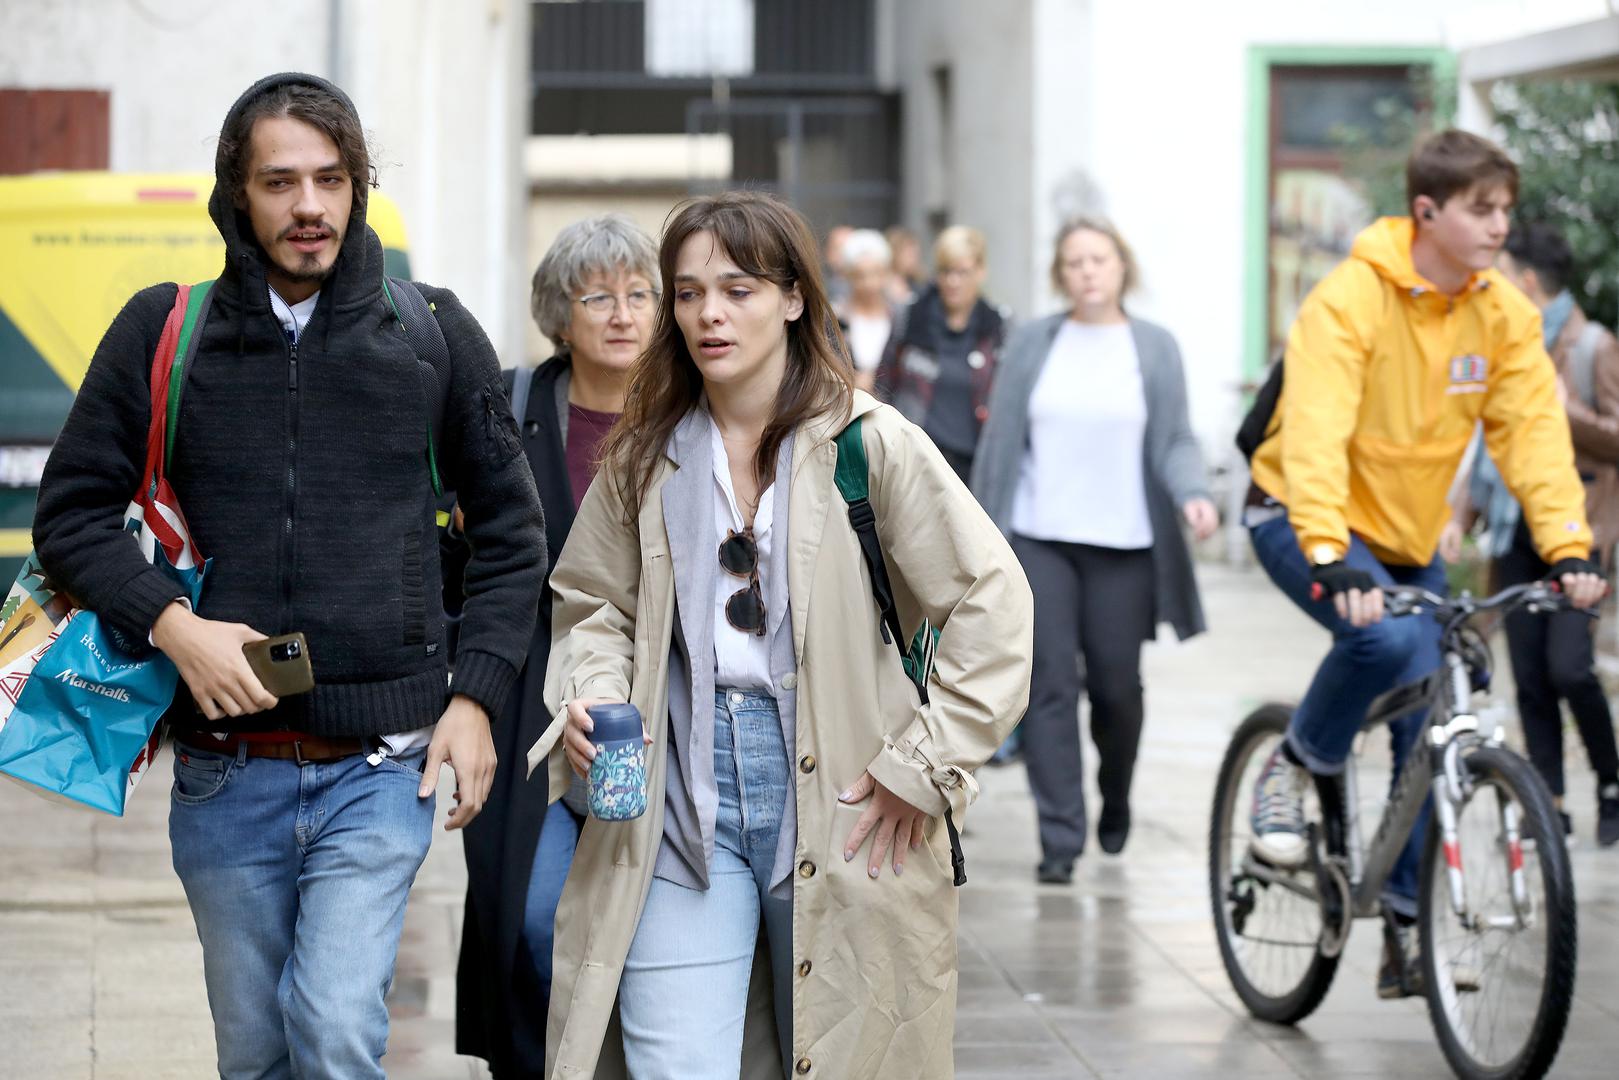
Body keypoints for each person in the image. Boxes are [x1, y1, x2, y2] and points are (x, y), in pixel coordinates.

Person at [31, 73, 546, 1077]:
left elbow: (512, 536)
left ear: (357, 187)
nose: (307, 206)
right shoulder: (162, 334)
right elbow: (69, 519)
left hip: (380, 766)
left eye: (329, 179)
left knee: (337, 1029)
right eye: (279, 182)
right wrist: (172, 624)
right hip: (224, 774)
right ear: (236, 194)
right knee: (256, 1050)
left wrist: (476, 700)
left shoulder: (432, 334)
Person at [528, 190, 1033, 1079]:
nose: (707, 314)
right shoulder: (646, 451)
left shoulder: (867, 444)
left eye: (736, 289)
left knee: (852, 1050)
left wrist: (923, 764)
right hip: (678, 794)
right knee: (673, 1059)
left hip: (850, 789)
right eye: (686, 294)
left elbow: (993, 604)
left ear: (795, 297)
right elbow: (590, 603)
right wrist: (592, 689)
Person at [1242, 130, 1604, 999]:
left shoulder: (1502, 314)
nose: (1497, 227)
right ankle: (1288, 769)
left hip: (1404, 539)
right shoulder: (1349, 299)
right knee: (1392, 648)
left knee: (1429, 712)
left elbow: (1532, 438)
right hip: (1299, 511)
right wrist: (1332, 559)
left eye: (1504, 211)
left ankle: (1405, 928)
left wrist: (1566, 544)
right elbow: (1318, 433)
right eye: (1481, 210)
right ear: (1426, 212)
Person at [455, 214, 658, 1076]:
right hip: (525, 695)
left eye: (641, 294)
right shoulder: (508, 408)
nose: (622, 313)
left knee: (647, 922)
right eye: (598, 296)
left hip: (650, 700)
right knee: (529, 921)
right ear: (558, 314)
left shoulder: (685, 418)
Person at [973, 217, 1216, 882]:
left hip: (1124, 545)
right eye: (1074, 261)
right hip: (1040, 537)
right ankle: (1059, 837)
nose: (1087, 271)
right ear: (1061, 274)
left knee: (1115, 689)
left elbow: (1175, 439)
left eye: (1098, 260)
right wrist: (979, 530)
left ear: (1120, 268)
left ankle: (1114, 797)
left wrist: (1192, 494)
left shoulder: (1154, 347)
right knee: (1048, 687)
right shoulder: (1032, 345)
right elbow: (1001, 446)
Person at [1440, 222, 1619, 847]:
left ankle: (1611, 780)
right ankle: (1550, 803)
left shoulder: (1592, 344)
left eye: (1504, 272)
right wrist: (1460, 520)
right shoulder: (1500, 339)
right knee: (1530, 673)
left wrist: (1561, 411)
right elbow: (1488, 438)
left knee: (1570, 667)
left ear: (1530, 282)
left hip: (1580, 531)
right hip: (1514, 533)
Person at [876, 225, 1008, 484]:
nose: (953, 282)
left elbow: (1005, 405)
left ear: (980, 272)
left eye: (963, 272)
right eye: (946, 272)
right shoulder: (911, 318)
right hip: (914, 463)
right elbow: (883, 384)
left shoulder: (997, 328)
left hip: (973, 470)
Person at [834, 227, 902, 392]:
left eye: (876, 274)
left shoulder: (899, 315)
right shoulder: (836, 316)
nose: (869, 283)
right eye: (861, 276)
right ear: (850, 276)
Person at [885, 224, 923, 305]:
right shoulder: (881, 285)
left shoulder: (918, 283)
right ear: (894, 253)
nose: (915, 260)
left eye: (916, 254)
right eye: (910, 255)